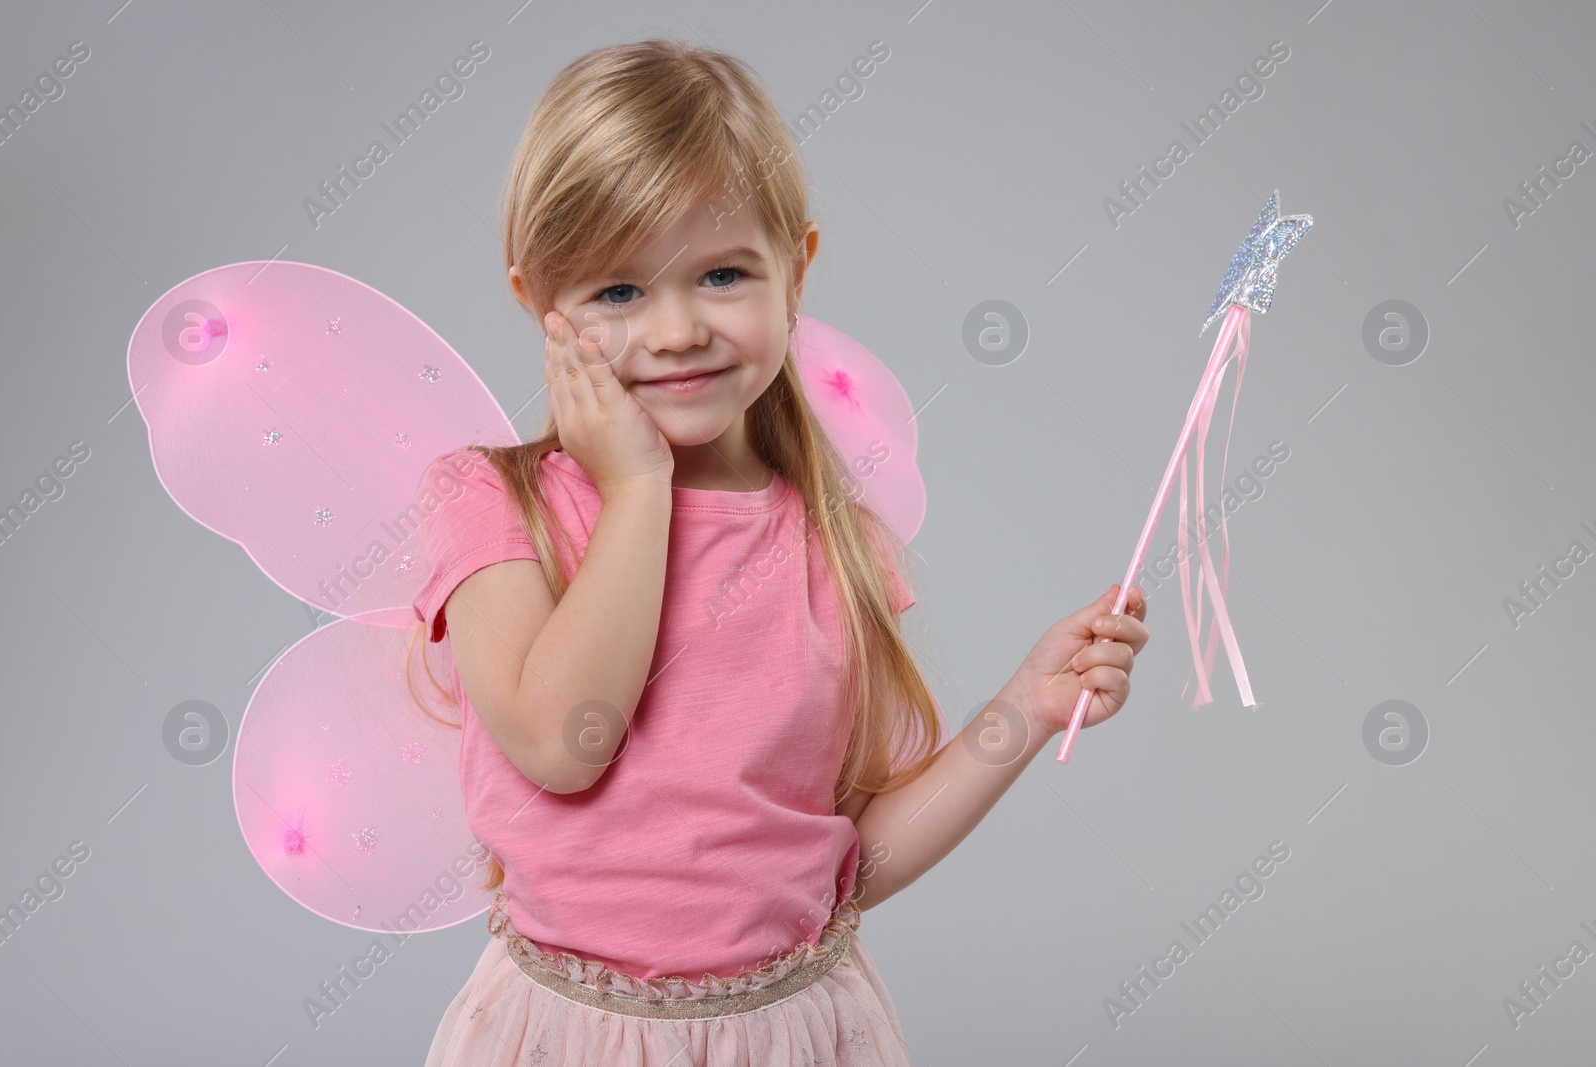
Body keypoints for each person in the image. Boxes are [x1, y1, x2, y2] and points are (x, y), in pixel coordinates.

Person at [415, 35, 1149, 1067]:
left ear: (793, 272)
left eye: (722, 274)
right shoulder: (492, 502)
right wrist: (635, 490)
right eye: (617, 292)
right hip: (571, 1037)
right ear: (540, 300)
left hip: (796, 1030)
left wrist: (1019, 713)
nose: (674, 331)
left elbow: (840, 862)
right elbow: (561, 741)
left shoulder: (832, 541)